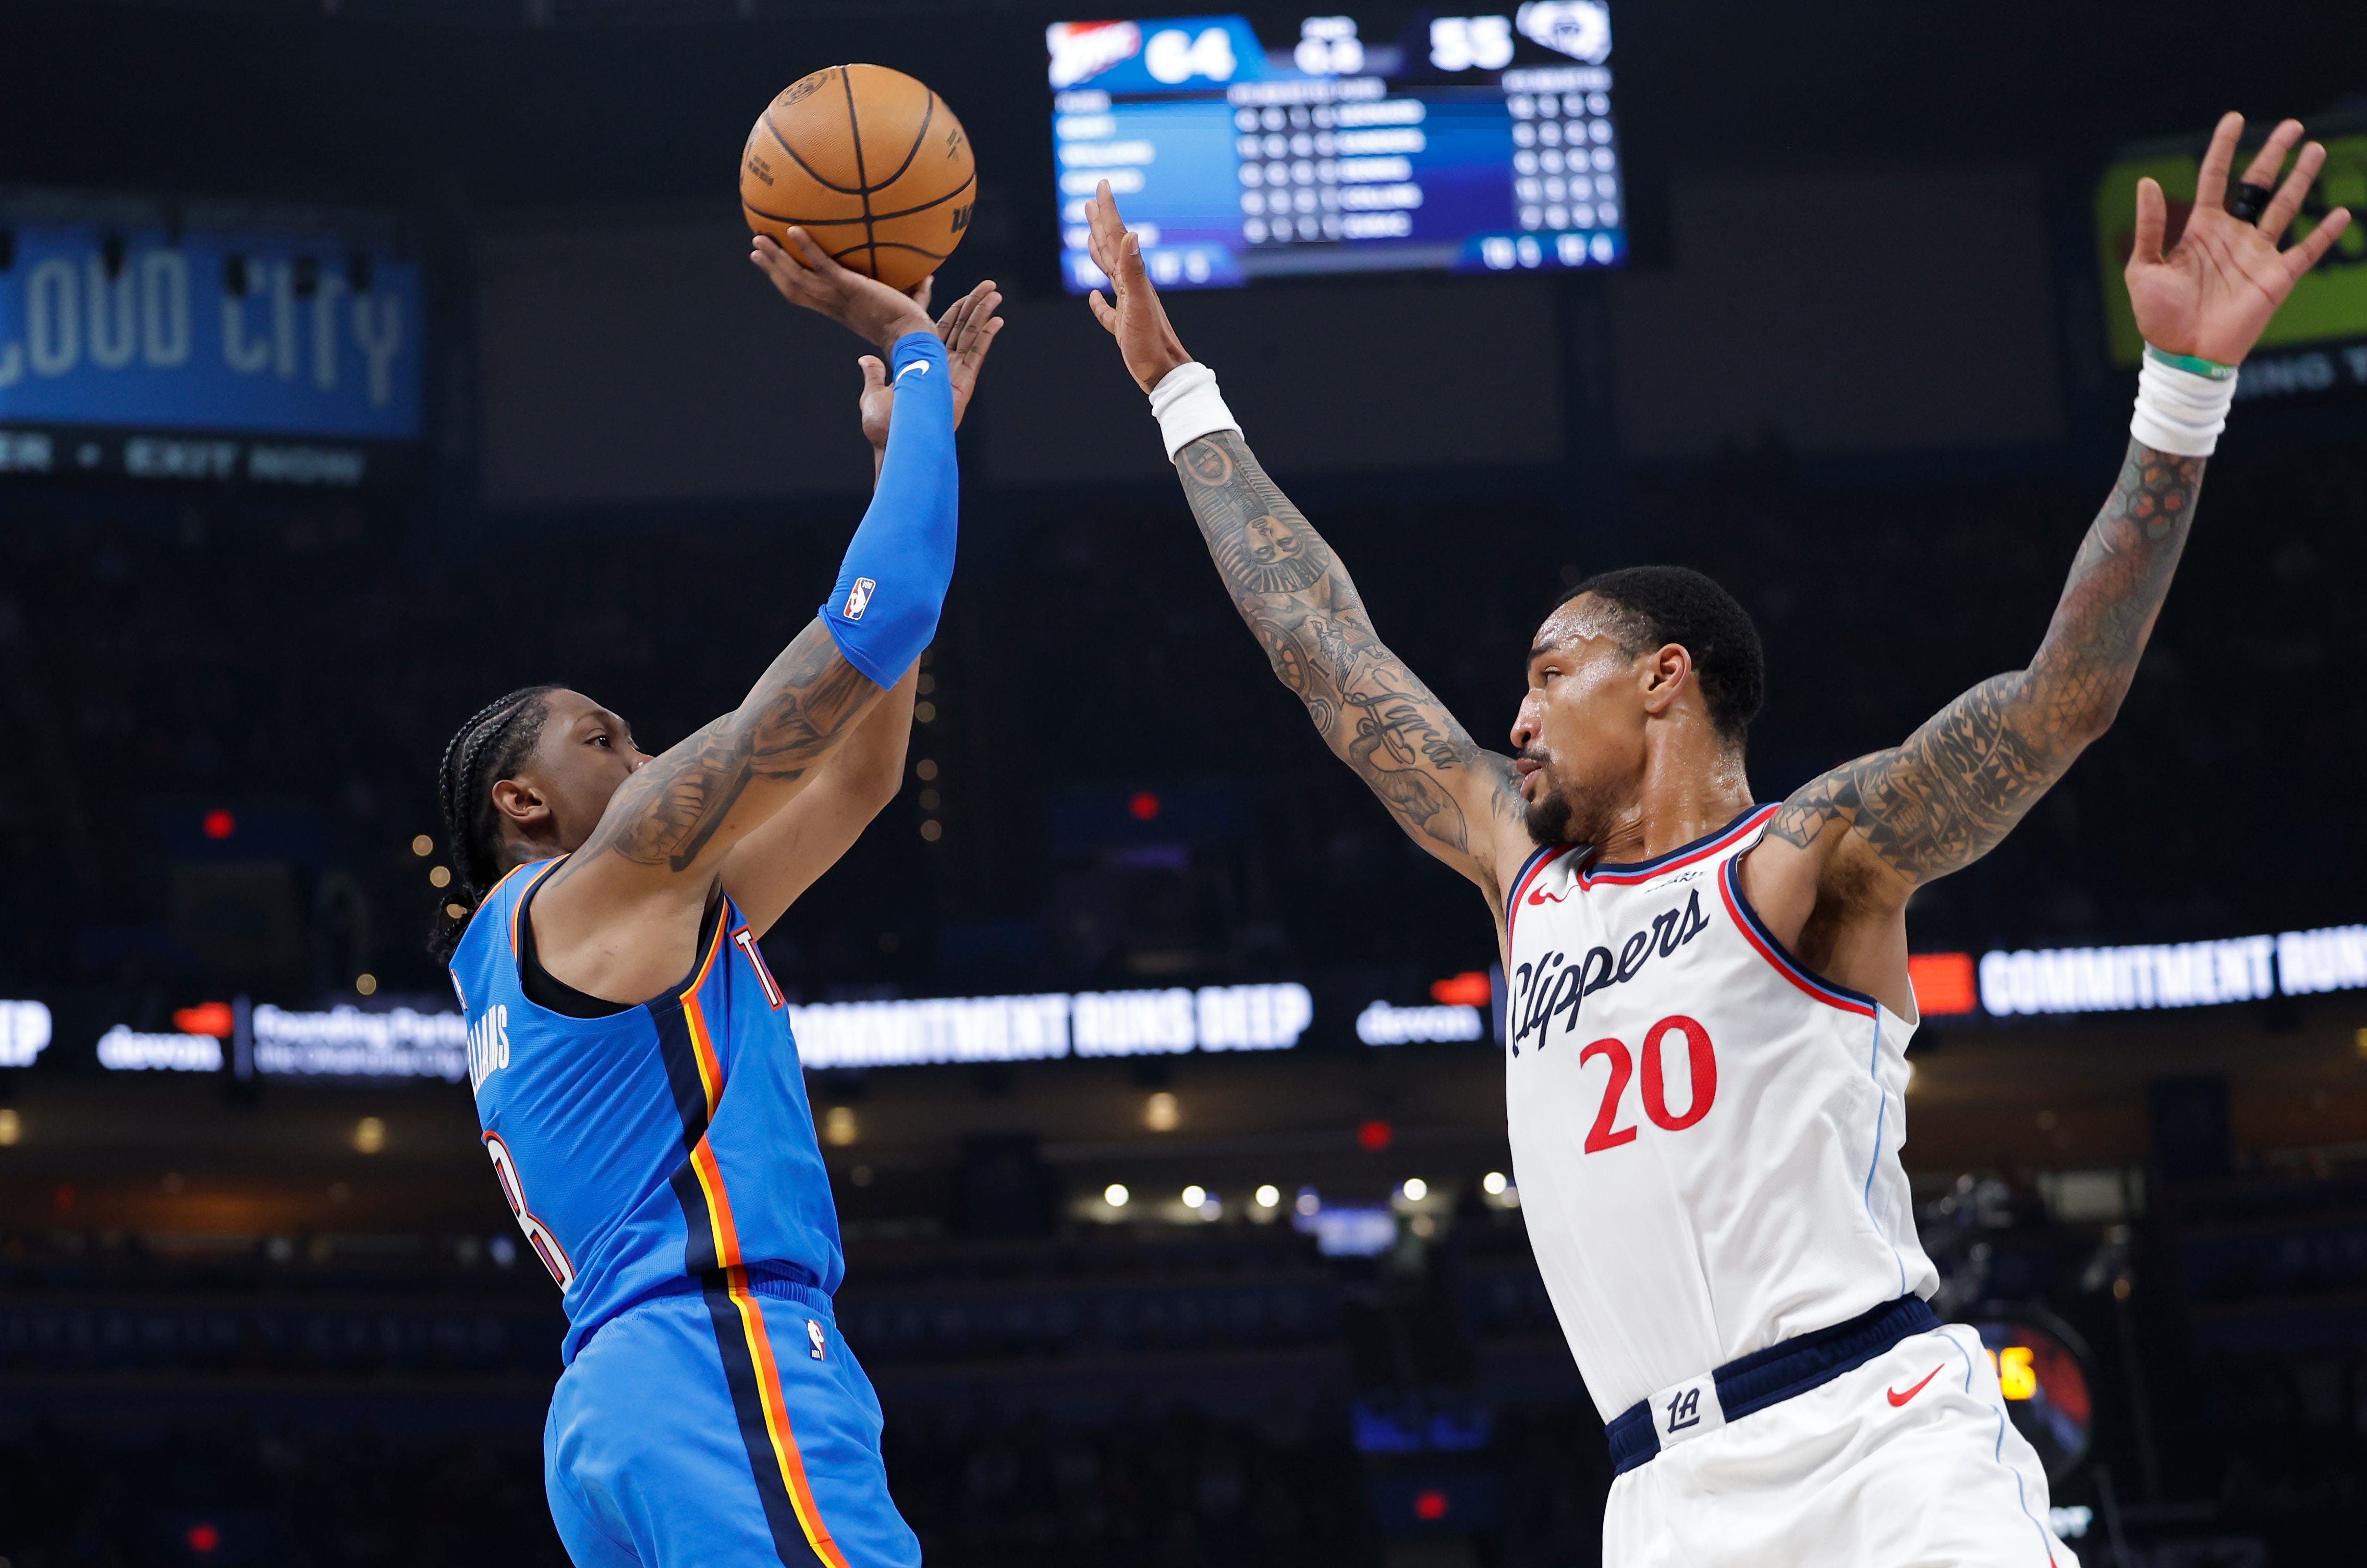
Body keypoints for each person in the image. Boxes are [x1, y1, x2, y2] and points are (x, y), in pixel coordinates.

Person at [1080, 110, 2349, 1566]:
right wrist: (1179, 390)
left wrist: (2180, 393)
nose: (1519, 714)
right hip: (1662, 1498)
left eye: (1554, 675)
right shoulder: (1522, 872)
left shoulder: (1812, 856)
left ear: (1665, 677)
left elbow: (2060, 702)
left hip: (1876, 1444)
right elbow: (1323, 646)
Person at [432, 228, 1001, 1568]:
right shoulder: (613, 872)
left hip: (615, 1405)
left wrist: (890, 462)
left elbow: (860, 778)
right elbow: (882, 610)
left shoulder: (565, 950)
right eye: (601, 736)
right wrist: (915, 363)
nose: (640, 756)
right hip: (716, 1354)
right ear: (522, 802)